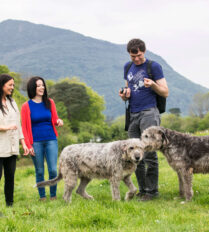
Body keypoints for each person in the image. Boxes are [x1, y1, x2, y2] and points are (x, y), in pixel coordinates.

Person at [119, 38, 169, 201]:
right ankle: (142, 190)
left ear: (144, 51)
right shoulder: (127, 66)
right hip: (133, 113)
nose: (136, 59)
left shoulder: (153, 66)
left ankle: (152, 191)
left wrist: (153, 85)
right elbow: (129, 89)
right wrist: (124, 96)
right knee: (134, 153)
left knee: (149, 153)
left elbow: (165, 92)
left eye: (139, 56)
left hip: (149, 112)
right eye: (133, 57)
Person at [21, 76, 63, 201]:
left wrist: (59, 121)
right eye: (39, 85)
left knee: (53, 170)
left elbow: (55, 119)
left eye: (42, 85)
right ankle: (42, 197)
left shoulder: (50, 102)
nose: (42, 87)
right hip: (36, 142)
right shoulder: (26, 106)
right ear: (33, 88)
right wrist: (29, 146)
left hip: (51, 139)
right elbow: (24, 128)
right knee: (39, 171)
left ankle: (53, 196)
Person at [0, 74, 29, 207]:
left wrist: (23, 143)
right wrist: (6, 127)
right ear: (2, 85)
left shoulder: (12, 102)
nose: (12, 87)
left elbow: (19, 124)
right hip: (1, 146)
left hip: (12, 147)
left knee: (10, 177)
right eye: (10, 85)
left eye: (13, 85)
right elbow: (10, 126)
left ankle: (9, 204)